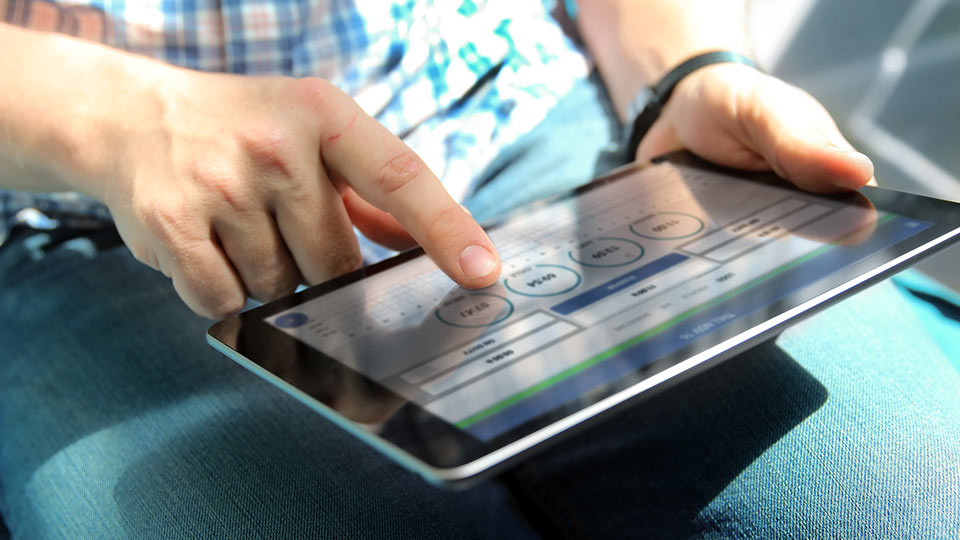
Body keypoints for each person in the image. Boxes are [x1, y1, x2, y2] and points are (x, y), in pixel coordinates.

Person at [0, 1, 957, 538]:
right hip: (89, 209)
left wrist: (679, 72)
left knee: (910, 508)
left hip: (518, 110)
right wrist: (118, 119)